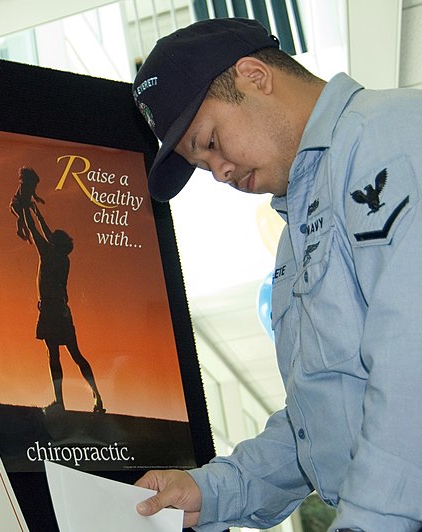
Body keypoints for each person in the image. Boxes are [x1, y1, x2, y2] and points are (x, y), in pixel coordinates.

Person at [131, 17, 422, 531]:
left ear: (254, 76)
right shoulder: (298, 232)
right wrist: (211, 490)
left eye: (211, 141)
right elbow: (324, 416)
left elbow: (411, 364)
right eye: (202, 165)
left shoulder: (389, 139)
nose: (218, 173)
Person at [22, 202, 105, 414]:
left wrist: (24, 206)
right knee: (76, 354)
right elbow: (47, 232)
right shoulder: (63, 259)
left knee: (54, 355)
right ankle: (97, 397)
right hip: (62, 310)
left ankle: (60, 402)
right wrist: (37, 210)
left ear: (55, 243)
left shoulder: (48, 254)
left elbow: (34, 229)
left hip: (51, 310)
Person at [10, 166, 46, 242]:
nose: (35, 186)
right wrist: (28, 204)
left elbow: (35, 196)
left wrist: (39, 199)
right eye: (34, 184)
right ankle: (19, 231)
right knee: (22, 217)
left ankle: (28, 235)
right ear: (29, 181)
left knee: (26, 219)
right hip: (16, 203)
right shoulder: (23, 186)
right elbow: (22, 197)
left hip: (23, 205)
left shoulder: (31, 189)